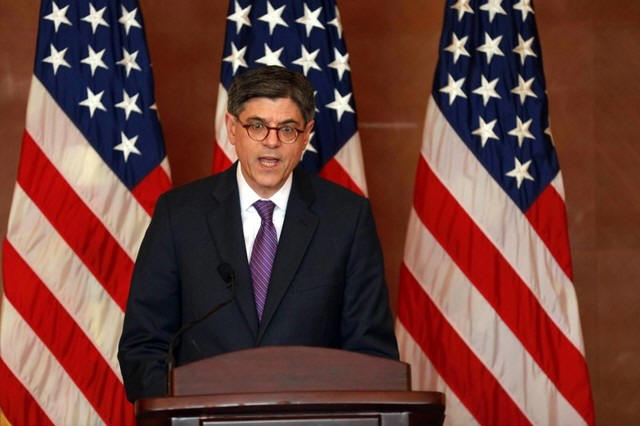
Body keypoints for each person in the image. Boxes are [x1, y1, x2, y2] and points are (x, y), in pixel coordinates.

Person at [118, 66, 398, 402]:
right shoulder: (179, 215)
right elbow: (144, 344)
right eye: (257, 126)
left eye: (287, 129)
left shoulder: (347, 219)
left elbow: (371, 355)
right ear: (232, 128)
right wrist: (177, 413)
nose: (272, 142)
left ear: (307, 135)